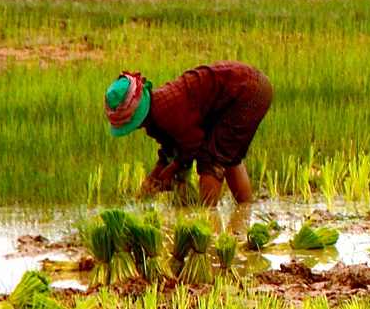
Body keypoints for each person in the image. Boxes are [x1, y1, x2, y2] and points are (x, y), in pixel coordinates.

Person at [103, 62, 272, 206]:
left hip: (248, 90)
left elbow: (193, 143)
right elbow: (171, 150)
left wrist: (172, 169)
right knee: (230, 158)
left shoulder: (165, 112)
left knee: (211, 159)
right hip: (253, 87)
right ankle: (245, 212)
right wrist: (153, 180)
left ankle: (207, 219)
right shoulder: (154, 116)